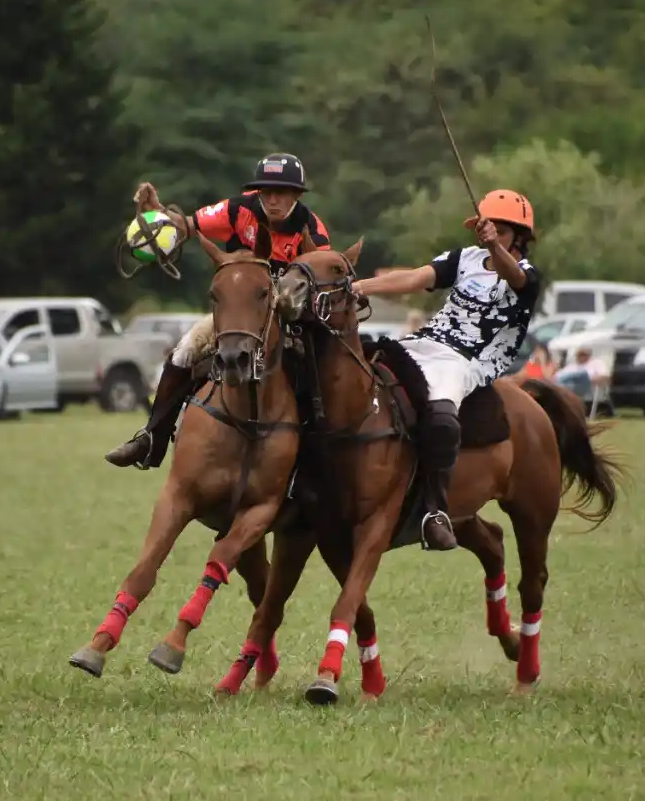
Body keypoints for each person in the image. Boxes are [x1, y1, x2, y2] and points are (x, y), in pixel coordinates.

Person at [105, 153, 332, 470]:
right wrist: (158, 211)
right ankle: (151, 438)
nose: (273, 199)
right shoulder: (238, 209)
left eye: (281, 192)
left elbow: (319, 282)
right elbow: (186, 226)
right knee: (183, 353)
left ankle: (319, 458)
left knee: (322, 369)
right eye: (266, 191)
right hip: (236, 315)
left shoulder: (313, 232)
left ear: (297, 194)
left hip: (286, 317)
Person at [352, 190, 540, 551]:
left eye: (500, 231)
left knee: (440, 416)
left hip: (468, 360)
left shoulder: (526, 276)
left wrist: (496, 249)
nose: (489, 237)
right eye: (487, 230)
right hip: (426, 342)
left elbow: (514, 276)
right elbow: (412, 279)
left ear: (520, 236)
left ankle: (434, 511)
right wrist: (358, 286)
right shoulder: (464, 259)